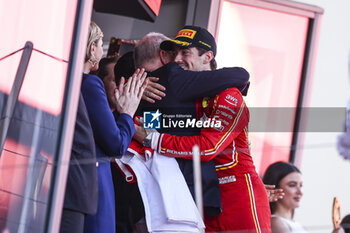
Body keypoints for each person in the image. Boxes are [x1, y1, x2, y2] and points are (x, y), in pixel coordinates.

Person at [134, 25, 271, 232]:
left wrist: (152, 139)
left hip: (238, 195)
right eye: (175, 53)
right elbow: (150, 126)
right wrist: (139, 90)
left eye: (185, 52)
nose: (178, 59)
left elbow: (207, 148)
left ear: (207, 57)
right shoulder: (182, 94)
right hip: (204, 200)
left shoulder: (229, 95)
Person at [81, 21, 147, 233]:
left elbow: (153, 139)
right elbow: (117, 143)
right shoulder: (93, 89)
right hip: (99, 186)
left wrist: (147, 134)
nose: (119, 86)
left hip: (133, 199)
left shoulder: (151, 107)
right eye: (114, 80)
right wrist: (128, 116)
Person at [263, 161, 307, 233]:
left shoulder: (296, 224)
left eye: (301, 185)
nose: (300, 192)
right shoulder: (276, 223)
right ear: (274, 188)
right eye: (292, 185)